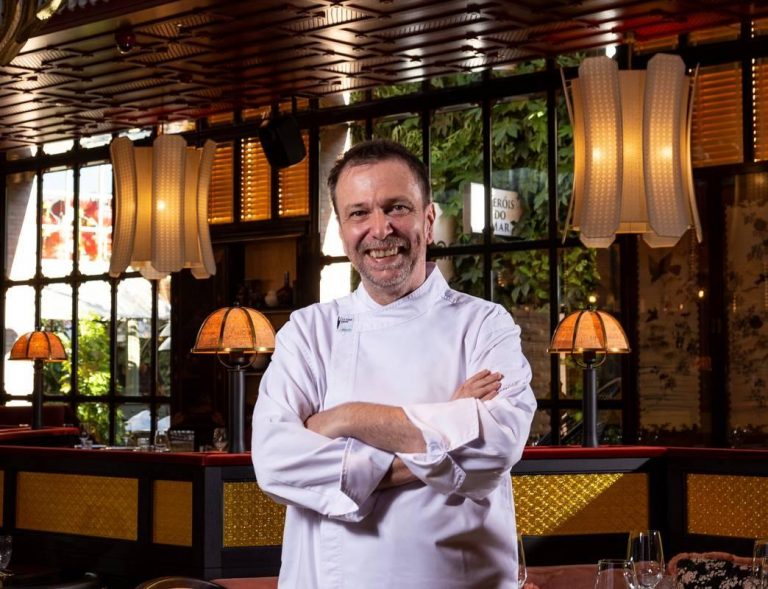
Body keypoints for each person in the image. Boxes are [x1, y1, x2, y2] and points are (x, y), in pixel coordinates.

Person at [251, 139, 537, 588]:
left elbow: (494, 446)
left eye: (396, 207)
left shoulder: (485, 324)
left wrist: (345, 418)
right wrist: (451, 420)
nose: (380, 229)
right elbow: (275, 461)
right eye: (359, 213)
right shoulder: (307, 332)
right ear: (342, 229)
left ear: (429, 219)